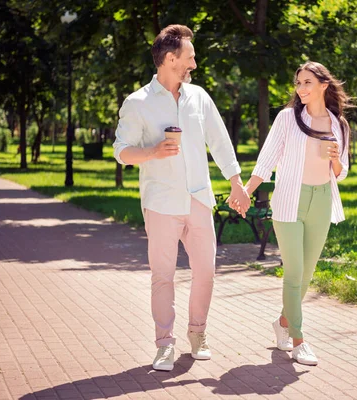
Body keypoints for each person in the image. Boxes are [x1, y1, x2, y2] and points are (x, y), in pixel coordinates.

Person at [112, 24, 250, 372]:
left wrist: (236, 182)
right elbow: (121, 152)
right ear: (170, 59)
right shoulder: (138, 102)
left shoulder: (199, 97)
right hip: (160, 203)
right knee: (163, 276)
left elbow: (219, 140)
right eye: (190, 57)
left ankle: (198, 333)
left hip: (199, 199)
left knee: (206, 272)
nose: (195, 63)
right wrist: (152, 152)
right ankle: (164, 344)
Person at [239, 61, 350, 366]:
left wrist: (335, 160)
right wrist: (247, 191)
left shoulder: (338, 124)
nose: (301, 89)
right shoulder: (288, 118)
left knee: (308, 274)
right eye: (298, 83)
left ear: (323, 85)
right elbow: (267, 159)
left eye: (307, 83)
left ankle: (283, 323)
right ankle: (298, 340)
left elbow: (341, 173)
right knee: (294, 272)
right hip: (290, 201)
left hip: (322, 199)